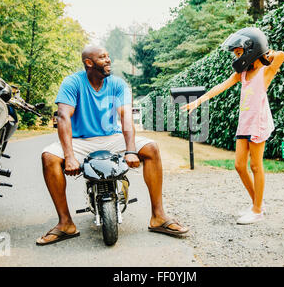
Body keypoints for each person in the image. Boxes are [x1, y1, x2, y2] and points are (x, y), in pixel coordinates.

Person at [36, 45, 188, 245]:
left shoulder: (117, 84)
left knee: (151, 148)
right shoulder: (72, 82)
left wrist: (131, 150)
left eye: (108, 56)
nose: (108, 60)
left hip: (111, 137)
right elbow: (64, 116)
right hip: (79, 140)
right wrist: (70, 155)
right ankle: (65, 224)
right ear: (89, 63)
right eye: (102, 57)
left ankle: (158, 216)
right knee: (48, 157)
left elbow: (125, 117)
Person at [181, 27, 284, 225]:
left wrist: (268, 53)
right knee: (239, 166)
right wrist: (199, 101)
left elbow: (281, 56)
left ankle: (257, 210)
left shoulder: (265, 72)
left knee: (255, 165)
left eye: (239, 53)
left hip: (258, 123)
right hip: (244, 123)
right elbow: (220, 86)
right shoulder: (242, 75)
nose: (237, 57)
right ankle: (258, 204)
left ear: (251, 51)